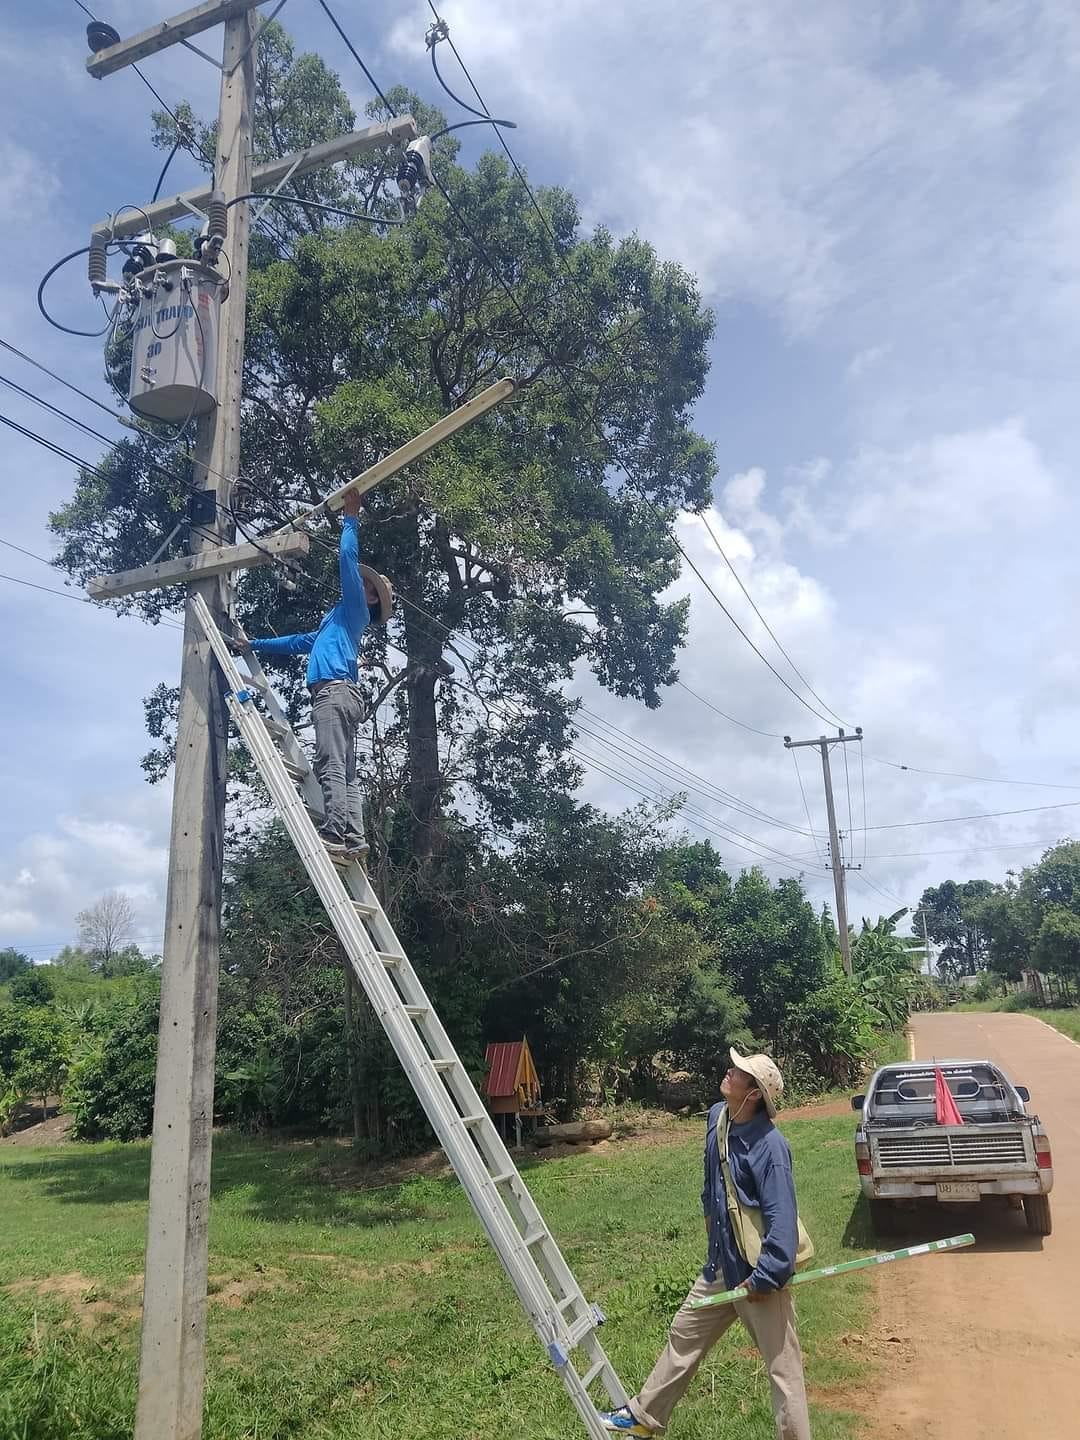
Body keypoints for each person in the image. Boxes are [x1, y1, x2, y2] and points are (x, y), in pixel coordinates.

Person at [600, 1049, 812, 1440]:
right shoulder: (718, 1118)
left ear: (753, 1094)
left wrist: (764, 1279)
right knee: (684, 1332)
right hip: (720, 1269)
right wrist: (710, 1226)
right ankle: (645, 1417)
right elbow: (711, 1178)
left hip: (758, 1277)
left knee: (783, 1372)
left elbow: (781, 1224)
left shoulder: (770, 1147)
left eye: (739, 1072)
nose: (729, 1071)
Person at [244, 491, 392, 858]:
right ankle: (355, 837)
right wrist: (254, 644)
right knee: (347, 771)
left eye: (366, 586)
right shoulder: (336, 621)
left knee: (331, 764)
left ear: (370, 599)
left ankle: (335, 832)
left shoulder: (356, 607)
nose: (360, 585)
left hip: (334, 693)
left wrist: (351, 519)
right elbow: (298, 642)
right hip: (343, 694)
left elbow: (346, 557)